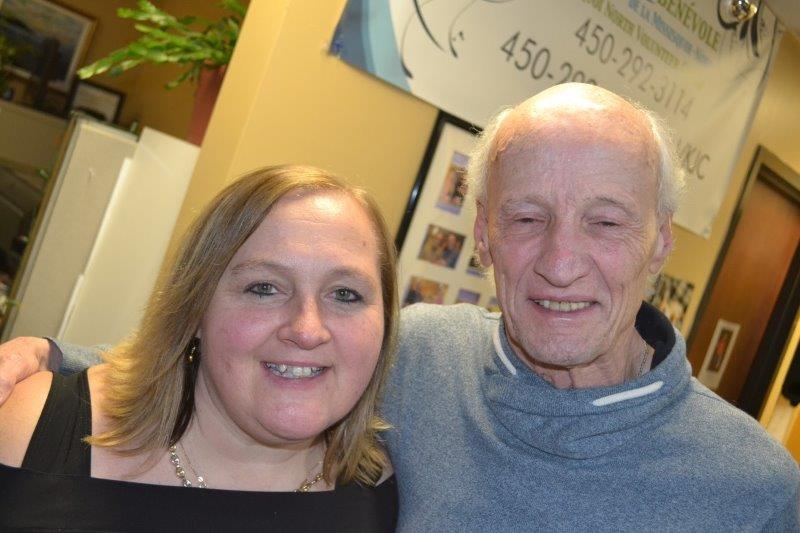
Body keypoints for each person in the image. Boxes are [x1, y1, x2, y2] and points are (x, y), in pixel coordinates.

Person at [1, 84, 797, 531]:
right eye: (526, 218)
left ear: (659, 243)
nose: (561, 261)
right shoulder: (419, 352)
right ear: (483, 235)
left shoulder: (756, 489)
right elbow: (250, 357)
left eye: (607, 222)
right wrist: (49, 353)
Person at [0, 165, 399, 531]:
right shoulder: (28, 428)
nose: (307, 331)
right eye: (263, 288)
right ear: (193, 309)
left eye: (345, 294)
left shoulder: (379, 493)